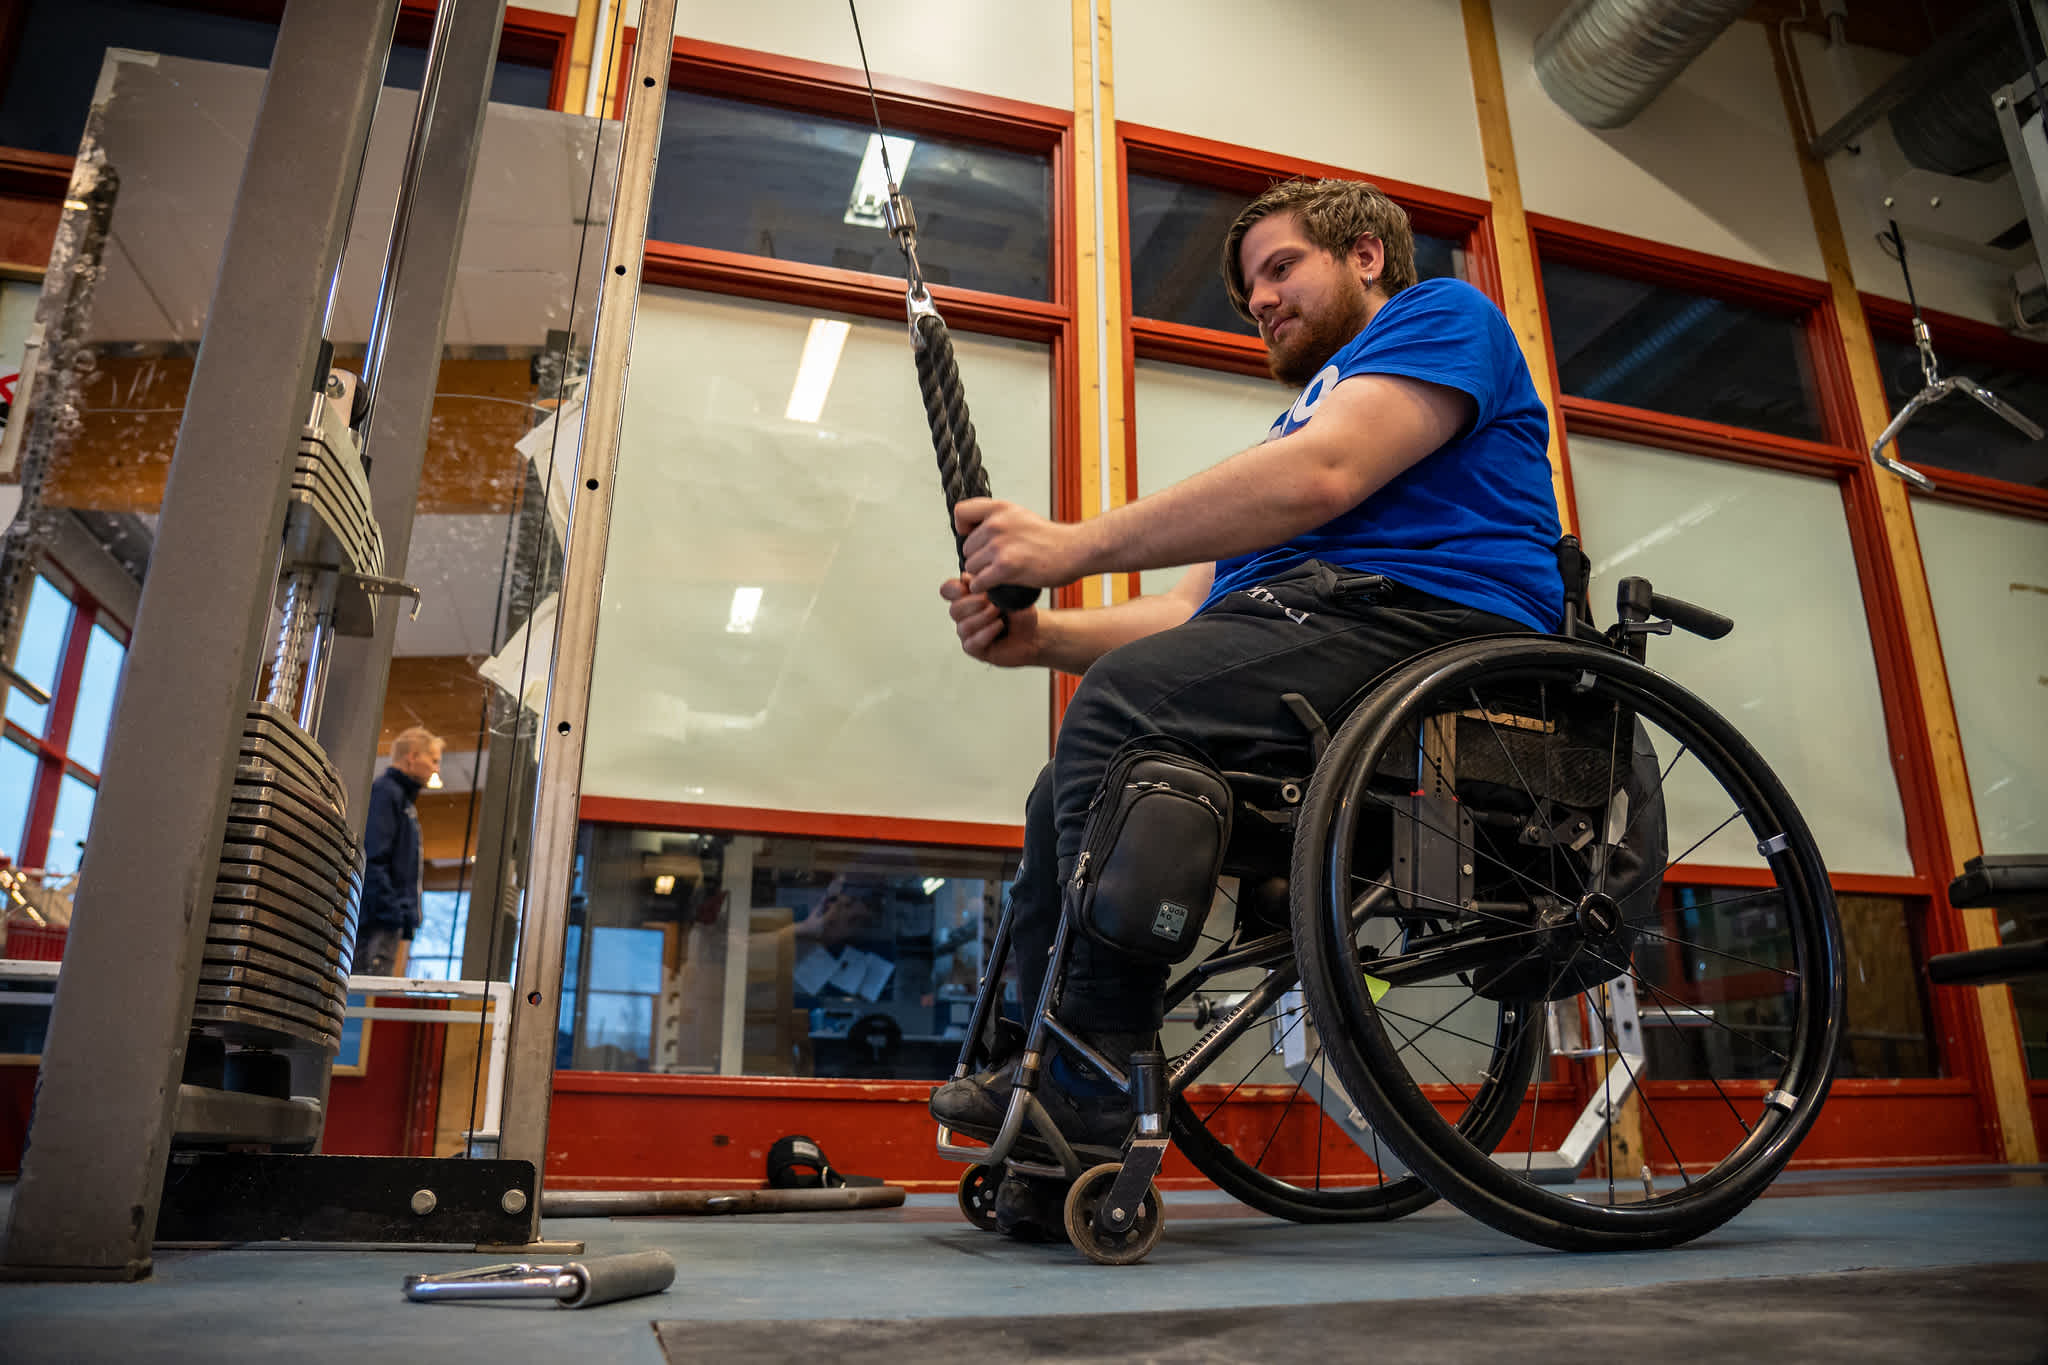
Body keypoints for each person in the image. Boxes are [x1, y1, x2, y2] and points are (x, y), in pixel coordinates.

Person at [927, 178, 1562, 1154]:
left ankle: (1090, 1074)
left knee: (1127, 703)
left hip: (1434, 634)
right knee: (1069, 780)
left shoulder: (1440, 318)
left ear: (1363, 257)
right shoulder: (1288, 436)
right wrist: (1040, 638)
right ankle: (1037, 1063)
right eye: (1248, 291)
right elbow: (1185, 613)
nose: (1259, 300)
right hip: (1318, 633)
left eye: (1279, 269)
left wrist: (1072, 544)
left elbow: (1325, 474)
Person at [352, 726, 443, 977]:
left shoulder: (403, 801)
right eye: (433, 760)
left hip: (385, 920)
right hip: (377, 920)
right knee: (364, 990)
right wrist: (392, 912)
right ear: (413, 756)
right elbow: (373, 857)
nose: (436, 769)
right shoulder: (386, 794)